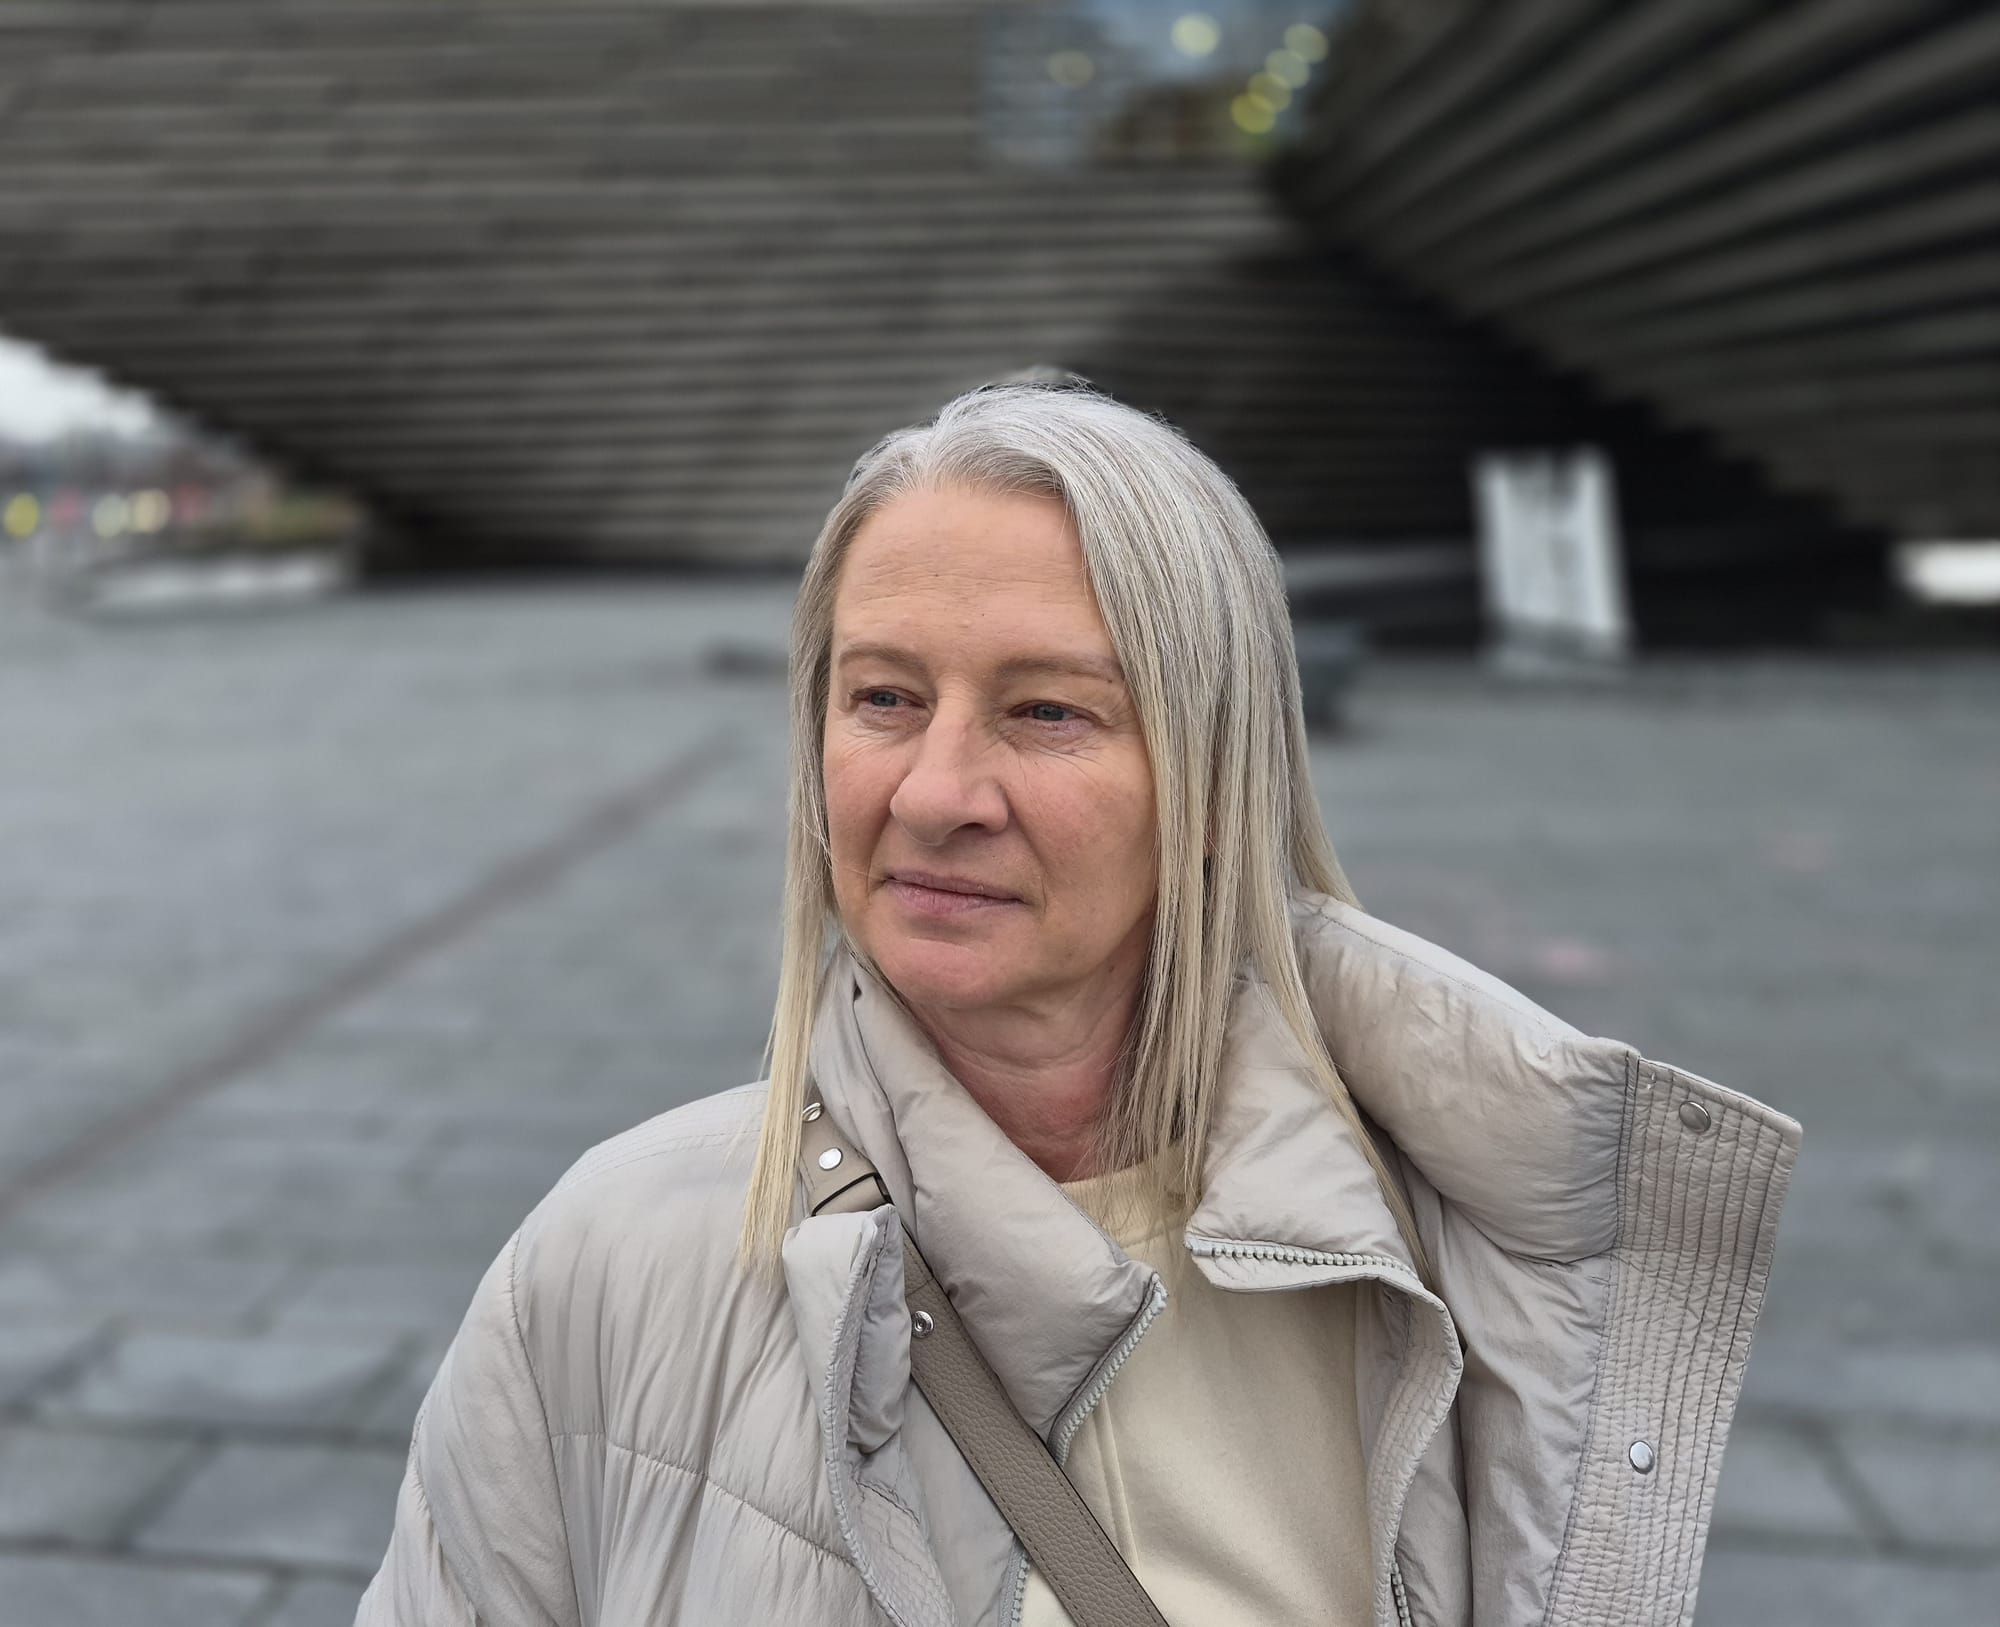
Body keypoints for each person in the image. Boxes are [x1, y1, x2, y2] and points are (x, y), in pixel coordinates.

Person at [356, 378, 1800, 1627]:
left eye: (1048, 710)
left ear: (1218, 781)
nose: (935, 794)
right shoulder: (603, 1267)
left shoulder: (1455, 1274)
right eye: (882, 699)